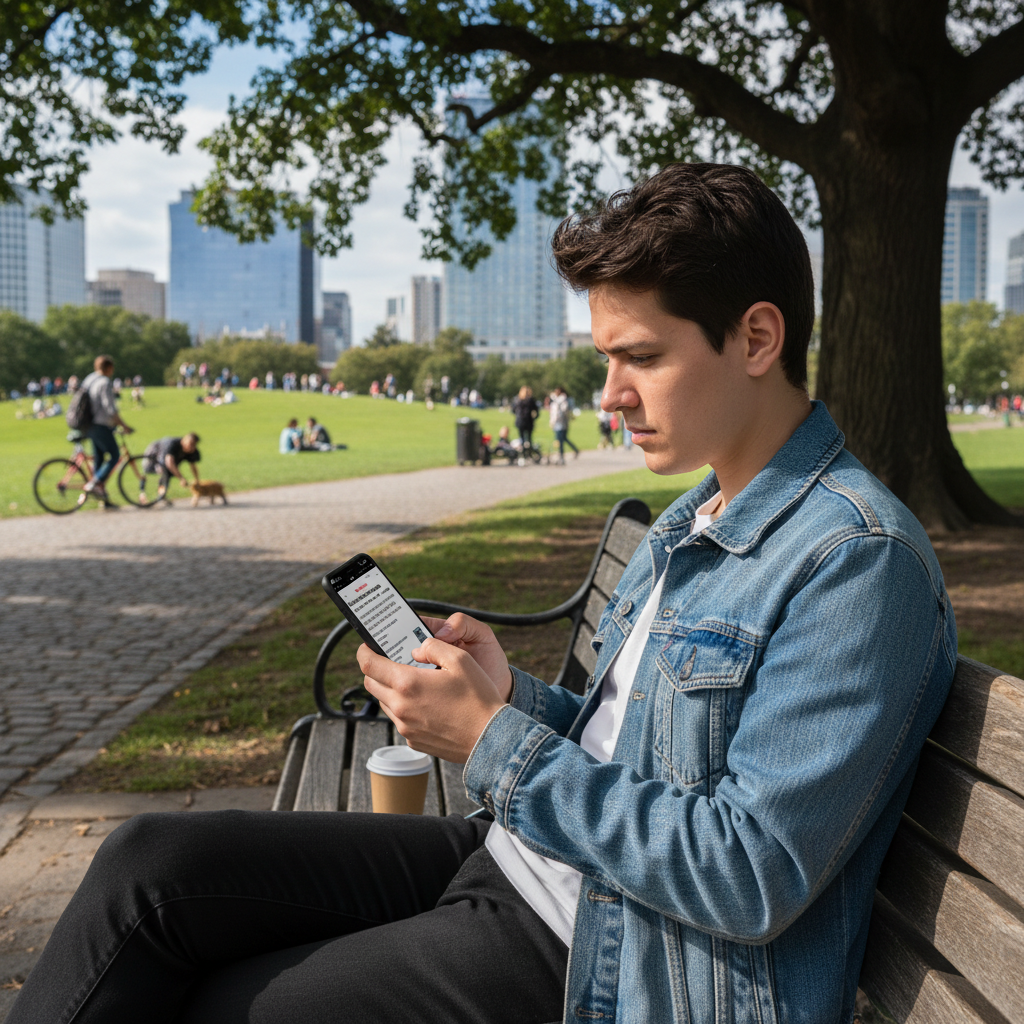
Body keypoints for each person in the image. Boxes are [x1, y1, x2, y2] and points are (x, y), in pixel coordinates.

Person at [9, 164, 956, 1024]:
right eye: (605, 360)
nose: (610, 395)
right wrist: (509, 698)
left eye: (643, 357)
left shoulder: (855, 562)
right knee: (151, 868)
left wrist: (489, 740)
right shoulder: (699, 512)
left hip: (605, 951)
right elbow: (638, 740)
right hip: (518, 858)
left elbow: (751, 872)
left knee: (219, 1006)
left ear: (756, 337)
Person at [80, 355, 134, 509]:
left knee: (99, 459)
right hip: (100, 425)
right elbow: (110, 408)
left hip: (88, 424)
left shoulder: (90, 379)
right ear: (109, 368)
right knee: (115, 456)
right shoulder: (104, 382)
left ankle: (103, 499)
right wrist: (123, 425)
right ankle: (94, 484)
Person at [142, 434, 201, 504]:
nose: (191, 448)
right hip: (154, 455)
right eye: (190, 444)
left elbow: (193, 466)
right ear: (183, 441)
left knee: (168, 473)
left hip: (167, 461)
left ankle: (162, 495)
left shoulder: (191, 450)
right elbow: (169, 463)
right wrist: (181, 478)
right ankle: (149, 494)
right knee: (166, 472)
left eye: (194, 445)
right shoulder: (172, 445)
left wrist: (197, 480)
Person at [548, 386, 579, 464]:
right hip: (557, 422)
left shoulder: (563, 401)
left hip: (562, 423)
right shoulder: (555, 400)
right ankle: (574, 450)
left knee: (561, 440)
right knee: (563, 439)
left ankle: (561, 456)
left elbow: (564, 412)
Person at [512, 385, 539, 454]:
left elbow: (513, 410)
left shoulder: (518, 399)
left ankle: (524, 453)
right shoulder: (530, 400)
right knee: (528, 438)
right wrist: (535, 417)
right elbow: (536, 410)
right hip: (528, 421)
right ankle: (528, 453)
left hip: (521, 421)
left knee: (522, 438)